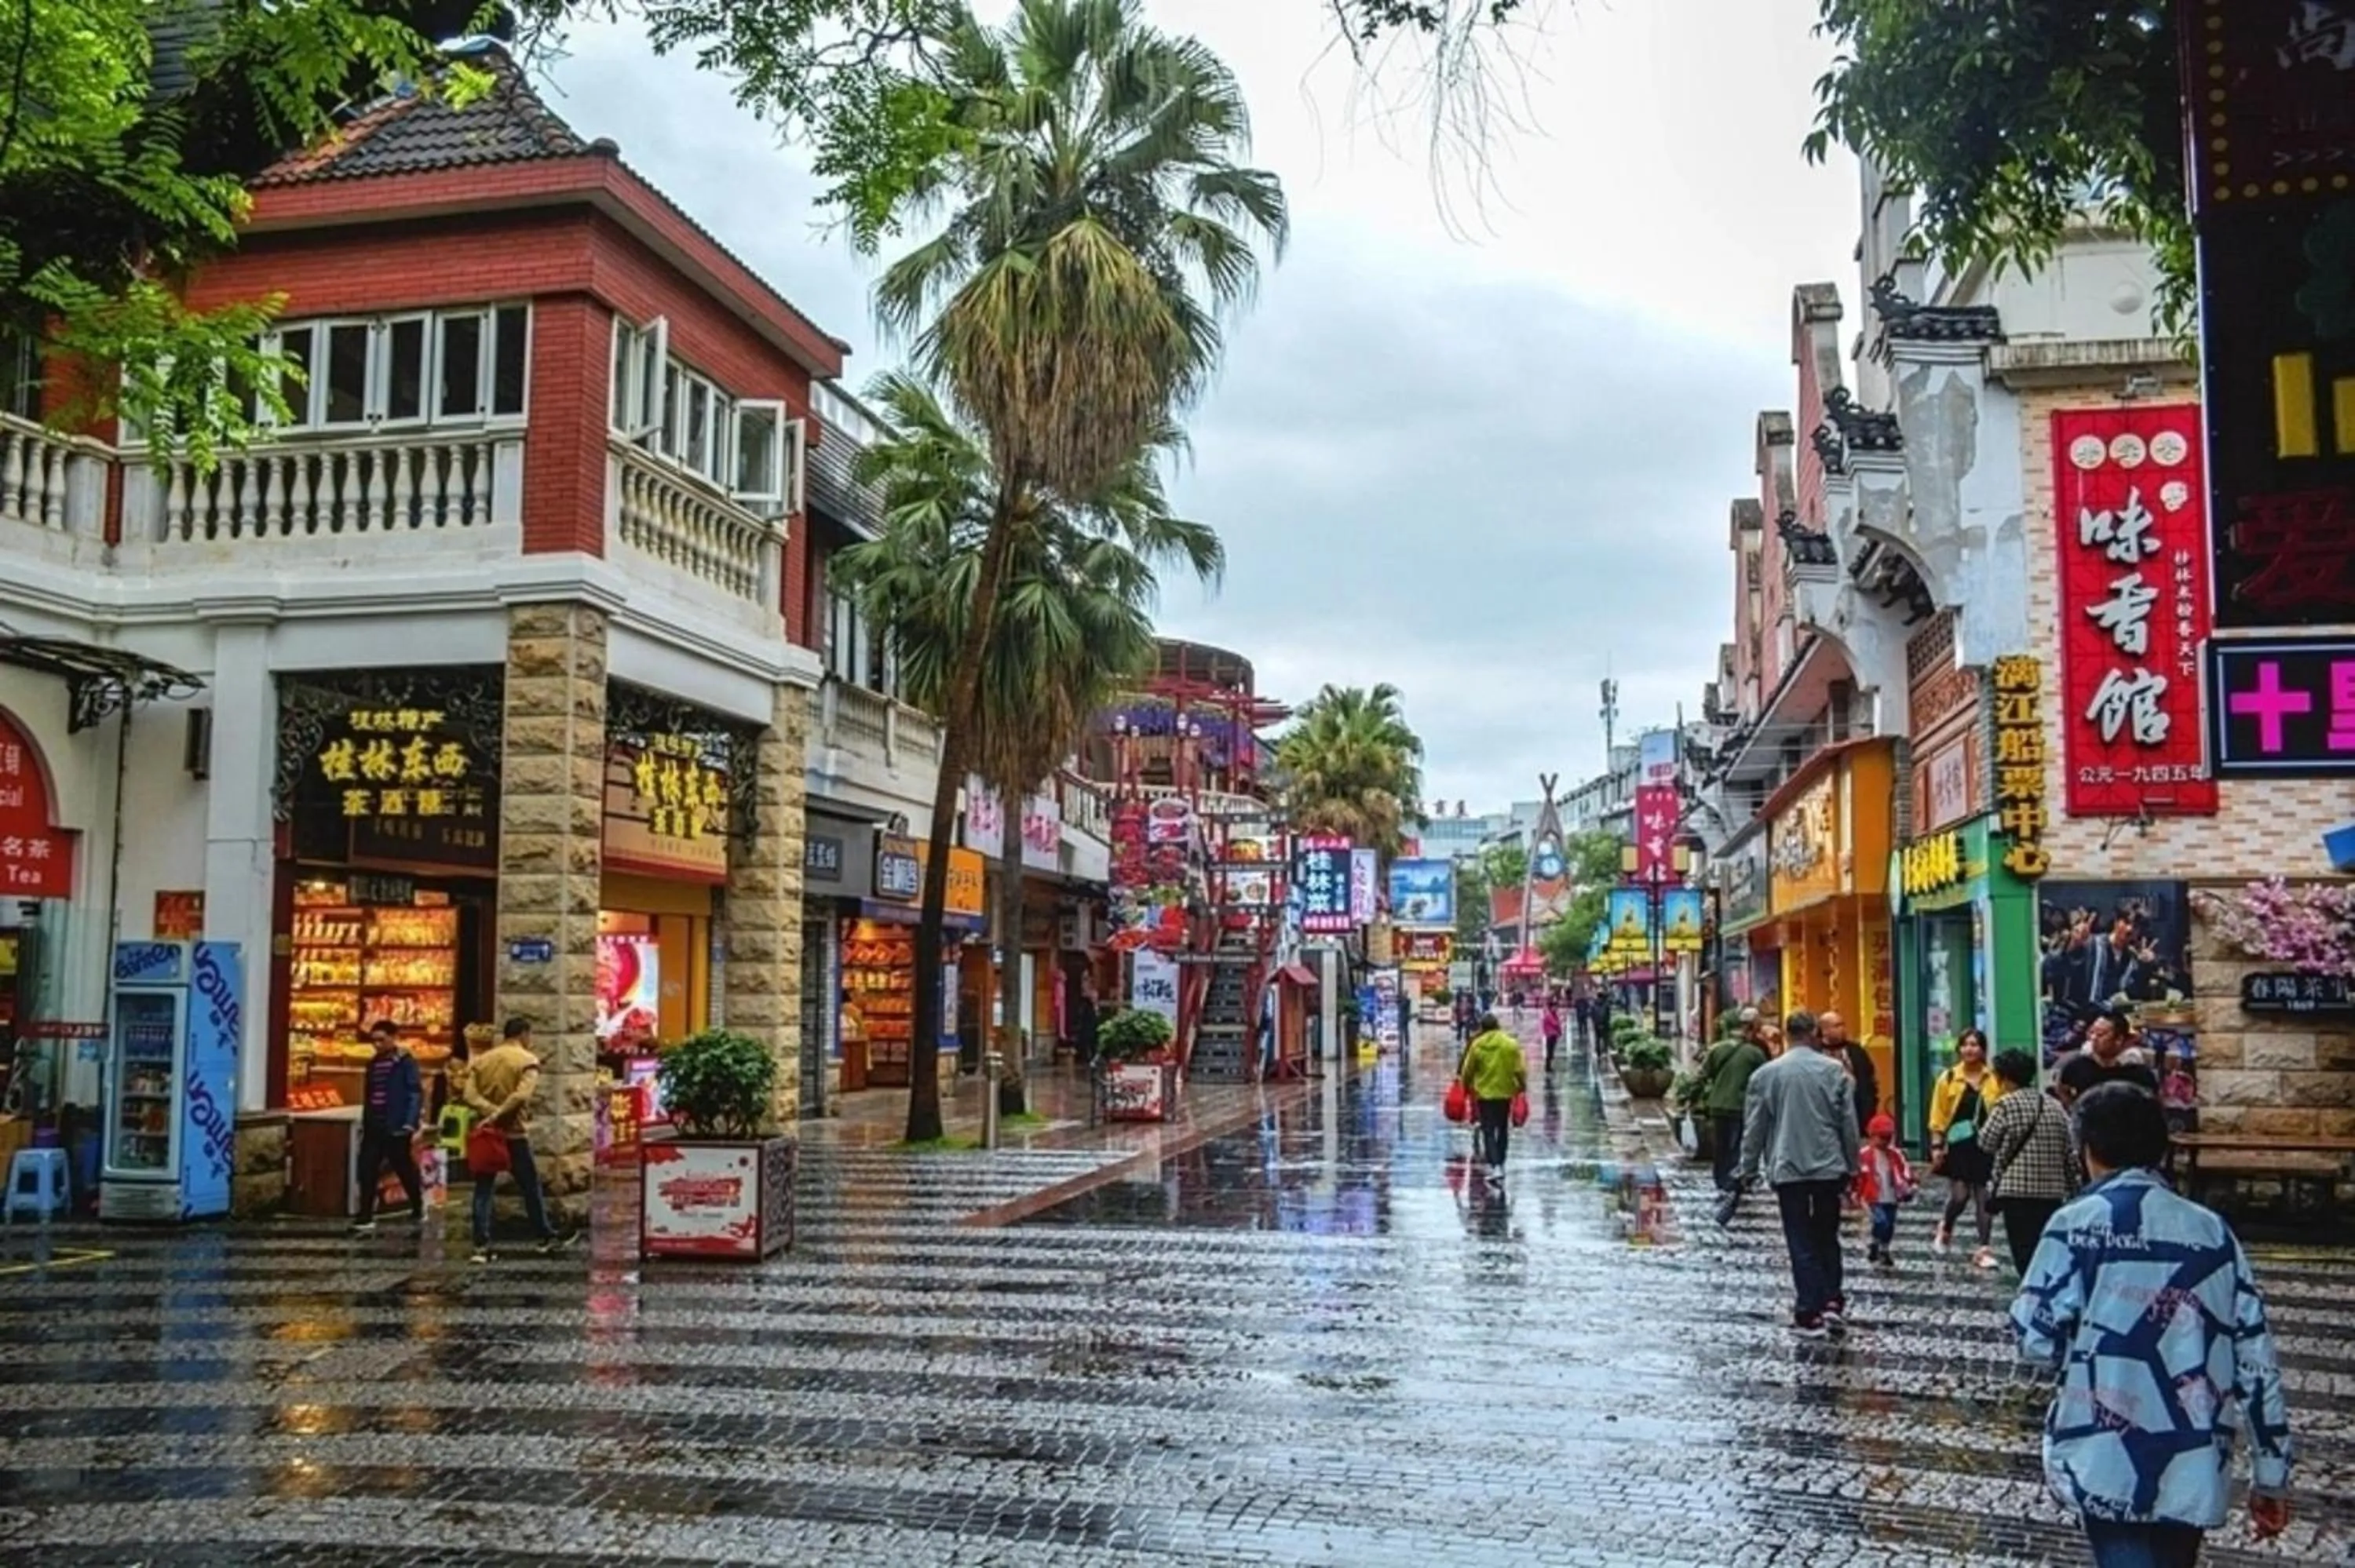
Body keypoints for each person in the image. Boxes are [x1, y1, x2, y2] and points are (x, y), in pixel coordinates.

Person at [2010, 1084, 2293, 1567]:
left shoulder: (2073, 1225)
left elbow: (2034, 1341)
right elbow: (2256, 1361)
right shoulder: (2213, 1231)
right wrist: (2272, 1474)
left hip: (2105, 1449)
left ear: (2087, 1150)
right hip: (2194, 1454)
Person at [1737, 1009, 1862, 1336]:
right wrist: (1853, 1165)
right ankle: (1832, 1299)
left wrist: (1747, 1168)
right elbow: (1848, 1124)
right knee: (1826, 1233)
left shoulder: (1766, 1075)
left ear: (1788, 1034)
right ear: (1813, 1034)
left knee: (1799, 1237)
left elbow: (1755, 1128)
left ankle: (1809, 1308)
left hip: (1787, 1165)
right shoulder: (1835, 1072)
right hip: (1828, 1166)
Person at [462, 1017, 569, 1264]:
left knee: (483, 1187)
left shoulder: (482, 1060)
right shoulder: (527, 1061)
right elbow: (521, 1096)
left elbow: (469, 1094)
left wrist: (488, 1112)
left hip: (487, 1133)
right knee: (530, 1186)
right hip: (514, 1133)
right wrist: (499, 1114)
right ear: (524, 1034)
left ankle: (480, 1244)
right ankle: (544, 1235)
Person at [1978, 1048, 2079, 1274]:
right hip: (2052, 1192)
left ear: (2003, 1077)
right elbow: (2069, 1151)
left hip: (2017, 1192)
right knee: (2046, 1248)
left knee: (2023, 1251)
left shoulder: (2006, 1105)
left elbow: (1986, 1143)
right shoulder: (2054, 1106)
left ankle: (2030, 1295)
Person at [1927, 1027, 2006, 1267]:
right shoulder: (1949, 1078)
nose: (1970, 1049)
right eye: (1965, 1044)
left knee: (1984, 1198)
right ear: (1959, 1048)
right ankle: (1946, 1226)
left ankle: (1984, 1248)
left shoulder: (1994, 1079)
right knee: (1960, 1196)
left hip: (1987, 1145)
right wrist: (1937, 1146)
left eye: (1975, 1044)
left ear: (1983, 1049)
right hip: (1958, 1146)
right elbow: (1938, 1115)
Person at [350, 1020, 425, 1235]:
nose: (377, 1045)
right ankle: (365, 1214)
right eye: (374, 1040)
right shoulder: (373, 1063)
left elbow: (414, 1092)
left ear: (393, 1038)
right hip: (375, 1123)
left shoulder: (404, 1062)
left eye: (382, 1040)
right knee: (367, 1168)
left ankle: (417, 1204)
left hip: (396, 1124)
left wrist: (410, 1122)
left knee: (402, 1167)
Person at [1695, 1009, 1769, 1193]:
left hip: (1717, 1104)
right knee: (1738, 1145)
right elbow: (1765, 1079)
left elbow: (1703, 1074)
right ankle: (1734, 1180)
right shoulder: (1755, 1053)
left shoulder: (1717, 1049)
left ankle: (1721, 1180)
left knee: (1721, 1146)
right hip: (1740, 1105)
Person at [1457, 1012, 1527, 1188]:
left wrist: (1465, 1087)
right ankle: (1501, 1163)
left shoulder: (1477, 1045)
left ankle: (1495, 1165)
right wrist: (1522, 1087)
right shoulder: (1510, 1044)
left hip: (1484, 1093)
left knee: (1488, 1130)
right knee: (1502, 1128)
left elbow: (1468, 1070)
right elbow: (1520, 1069)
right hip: (1505, 1092)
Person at [2057, 1008, 2160, 1103]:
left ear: (2119, 1039)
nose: (2094, 1038)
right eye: (2092, 1033)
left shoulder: (2138, 1073)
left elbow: (2154, 1102)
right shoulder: (2077, 1066)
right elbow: (2061, 1089)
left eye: (2100, 1034)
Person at [1856, 1112, 1915, 1266]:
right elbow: (1858, 1175)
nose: (1885, 1142)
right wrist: (1856, 1192)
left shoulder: (1896, 1155)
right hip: (1873, 1197)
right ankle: (1877, 1243)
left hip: (1891, 1196)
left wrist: (1909, 1185)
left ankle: (1882, 1248)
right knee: (1881, 1221)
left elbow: (1905, 1171)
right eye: (1881, 1137)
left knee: (1890, 1224)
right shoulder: (1864, 1155)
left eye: (1888, 1138)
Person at [1820, 1011, 1878, 1133]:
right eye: (1837, 1026)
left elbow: (1869, 1083)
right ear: (1824, 1030)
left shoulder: (1856, 1052)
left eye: (1843, 1025)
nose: (1842, 1029)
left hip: (1856, 1115)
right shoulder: (1816, 1052)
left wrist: (1869, 1113)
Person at [1539, 1001, 1564, 1069]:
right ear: (1551, 1007)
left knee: (1551, 1050)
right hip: (1550, 1035)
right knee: (1549, 1050)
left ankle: (1549, 1065)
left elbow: (1557, 1024)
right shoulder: (1549, 1015)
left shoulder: (1554, 1014)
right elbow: (1555, 1023)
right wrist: (1560, 1022)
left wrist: (1560, 1031)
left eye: (1557, 1007)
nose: (1556, 1009)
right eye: (1555, 1007)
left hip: (1553, 1035)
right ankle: (1548, 1066)